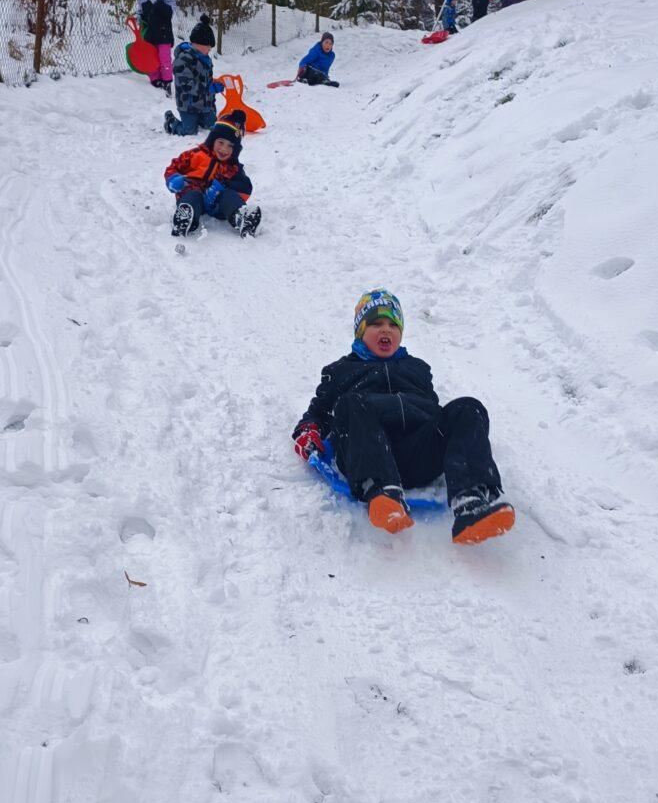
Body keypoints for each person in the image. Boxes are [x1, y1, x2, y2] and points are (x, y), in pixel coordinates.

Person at [292, 289, 515, 544]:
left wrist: (454, 430)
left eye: (393, 324)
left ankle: (471, 501)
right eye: (376, 323)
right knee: (350, 403)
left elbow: (434, 412)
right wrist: (309, 431)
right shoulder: (341, 371)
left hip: (418, 452)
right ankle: (383, 495)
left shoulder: (418, 369)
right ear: (360, 331)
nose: (385, 330)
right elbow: (317, 414)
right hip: (368, 448)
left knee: (468, 407)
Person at [164, 108, 261, 238]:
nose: (224, 149)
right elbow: (174, 166)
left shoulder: (232, 167)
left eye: (230, 146)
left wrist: (225, 185)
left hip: (217, 205)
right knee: (192, 195)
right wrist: (173, 179)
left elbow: (245, 188)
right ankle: (185, 219)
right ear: (212, 140)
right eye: (221, 142)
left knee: (229, 196)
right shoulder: (196, 154)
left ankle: (241, 218)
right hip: (193, 196)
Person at [165, 15, 224, 136]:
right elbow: (187, 85)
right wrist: (209, 88)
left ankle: (202, 119)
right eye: (208, 46)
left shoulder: (206, 59)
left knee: (212, 125)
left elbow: (207, 80)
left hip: (205, 105)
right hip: (188, 105)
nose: (209, 50)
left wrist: (215, 86)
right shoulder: (183, 60)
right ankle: (171, 122)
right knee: (189, 131)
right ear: (198, 44)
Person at [137, 0, 178, 93]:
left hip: (164, 33)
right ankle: (155, 79)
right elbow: (140, 11)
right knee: (151, 57)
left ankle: (166, 81)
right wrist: (138, 20)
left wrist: (160, 5)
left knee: (164, 58)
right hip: (150, 33)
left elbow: (172, 8)